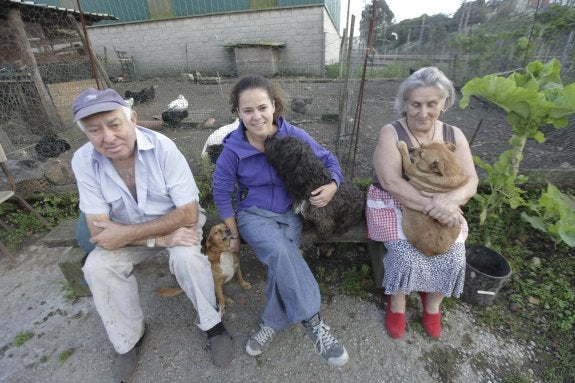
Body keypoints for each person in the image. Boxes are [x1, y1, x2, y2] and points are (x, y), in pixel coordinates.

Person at [70, 88, 233, 381]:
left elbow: (188, 215)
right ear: (86, 133)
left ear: (132, 119)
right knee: (97, 266)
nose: (107, 137)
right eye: (94, 130)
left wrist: (161, 236)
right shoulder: (84, 161)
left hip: (176, 227)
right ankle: (128, 339)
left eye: (114, 124)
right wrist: (157, 240)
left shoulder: (164, 149)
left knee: (188, 259)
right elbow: (98, 231)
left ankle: (213, 326)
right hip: (135, 236)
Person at [212, 75, 349, 367]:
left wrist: (333, 185)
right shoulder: (233, 149)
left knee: (281, 266)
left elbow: (330, 161)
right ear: (238, 112)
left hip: (291, 214)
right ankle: (313, 321)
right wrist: (234, 233)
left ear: (274, 106)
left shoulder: (294, 135)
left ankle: (271, 323)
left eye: (262, 107)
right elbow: (222, 193)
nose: (256, 116)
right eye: (247, 110)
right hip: (254, 216)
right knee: (280, 252)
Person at [367, 67, 479, 339]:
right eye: (415, 104)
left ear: (443, 104)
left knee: (454, 252)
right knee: (405, 251)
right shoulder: (391, 132)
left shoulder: (454, 135)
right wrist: (434, 207)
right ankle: (398, 304)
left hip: (444, 203)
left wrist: (450, 202)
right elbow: (392, 182)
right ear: (405, 103)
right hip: (393, 200)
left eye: (432, 104)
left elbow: (471, 181)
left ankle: (432, 306)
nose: (423, 112)